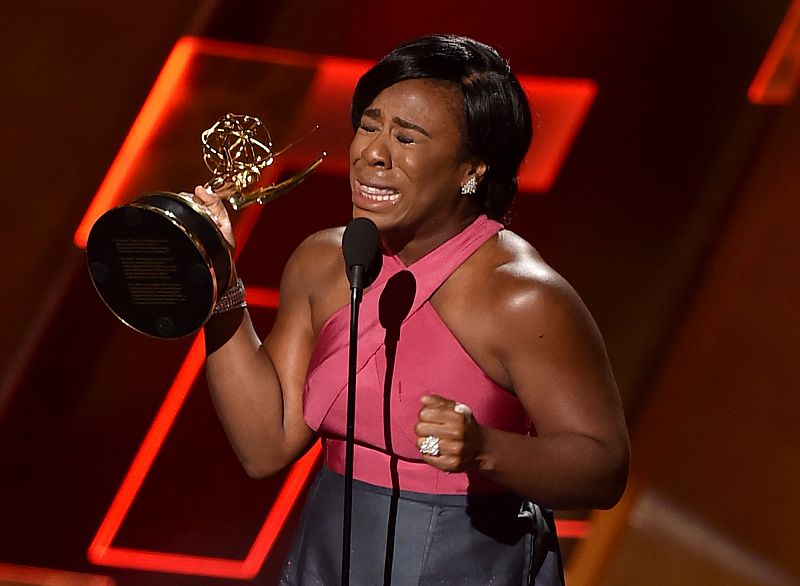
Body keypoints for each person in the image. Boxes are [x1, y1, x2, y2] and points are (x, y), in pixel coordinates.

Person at [193, 34, 630, 585]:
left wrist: (485, 450)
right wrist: (217, 286)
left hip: (465, 562)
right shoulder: (324, 261)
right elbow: (265, 445)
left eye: (407, 137)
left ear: (472, 170)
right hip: (329, 555)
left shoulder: (522, 297)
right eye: (369, 125)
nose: (372, 153)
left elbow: (604, 467)